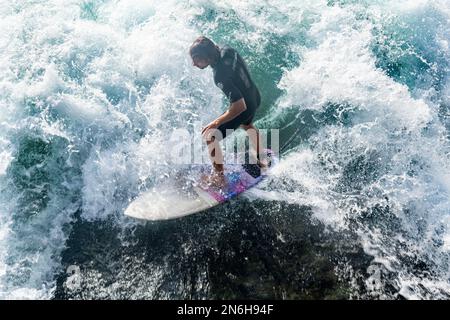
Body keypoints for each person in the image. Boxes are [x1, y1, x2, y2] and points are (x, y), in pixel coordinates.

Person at [189, 36, 266, 188]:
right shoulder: (227, 49)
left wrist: (214, 123)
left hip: (245, 105)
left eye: (197, 59)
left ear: (208, 57)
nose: (194, 64)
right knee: (247, 125)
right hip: (254, 95)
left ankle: (220, 179)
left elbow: (239, 106)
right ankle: (261, 158)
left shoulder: (219, 75)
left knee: (210, 136)